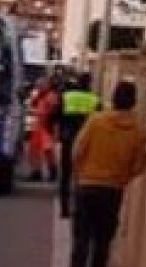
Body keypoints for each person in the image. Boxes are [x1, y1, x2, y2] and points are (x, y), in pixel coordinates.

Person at [67, 81, 146, 267]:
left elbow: (77, 150)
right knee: (102, 242)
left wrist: (79, 174)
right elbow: (140, 164)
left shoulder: (96, 121)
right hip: (113, 190)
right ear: (133, 102)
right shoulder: (139, 132)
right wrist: (123, 178)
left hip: (87, 185)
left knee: (81, 240)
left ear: (113, 98)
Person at [57, 72, 100, 218]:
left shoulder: (67, 97)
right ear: (89, 83)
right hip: (88, 143)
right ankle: (80, 209)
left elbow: (56, 116)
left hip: (68, 140)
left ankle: (64, 209)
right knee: (83, 176)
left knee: (66, 175)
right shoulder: (95, 100)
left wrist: (60, 130)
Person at [26, 77, 59, 181]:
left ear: (47, 85)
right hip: (38, 125)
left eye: (41, 85)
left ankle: (52, 171)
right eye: (38, 86)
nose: (39, 87)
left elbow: (54, 110)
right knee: (34, 150)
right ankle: (36, 172)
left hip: (46, 126)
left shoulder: (51, 96)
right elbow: (33, 105)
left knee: (48, 150)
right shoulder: (40, 96)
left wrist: (50, 123)